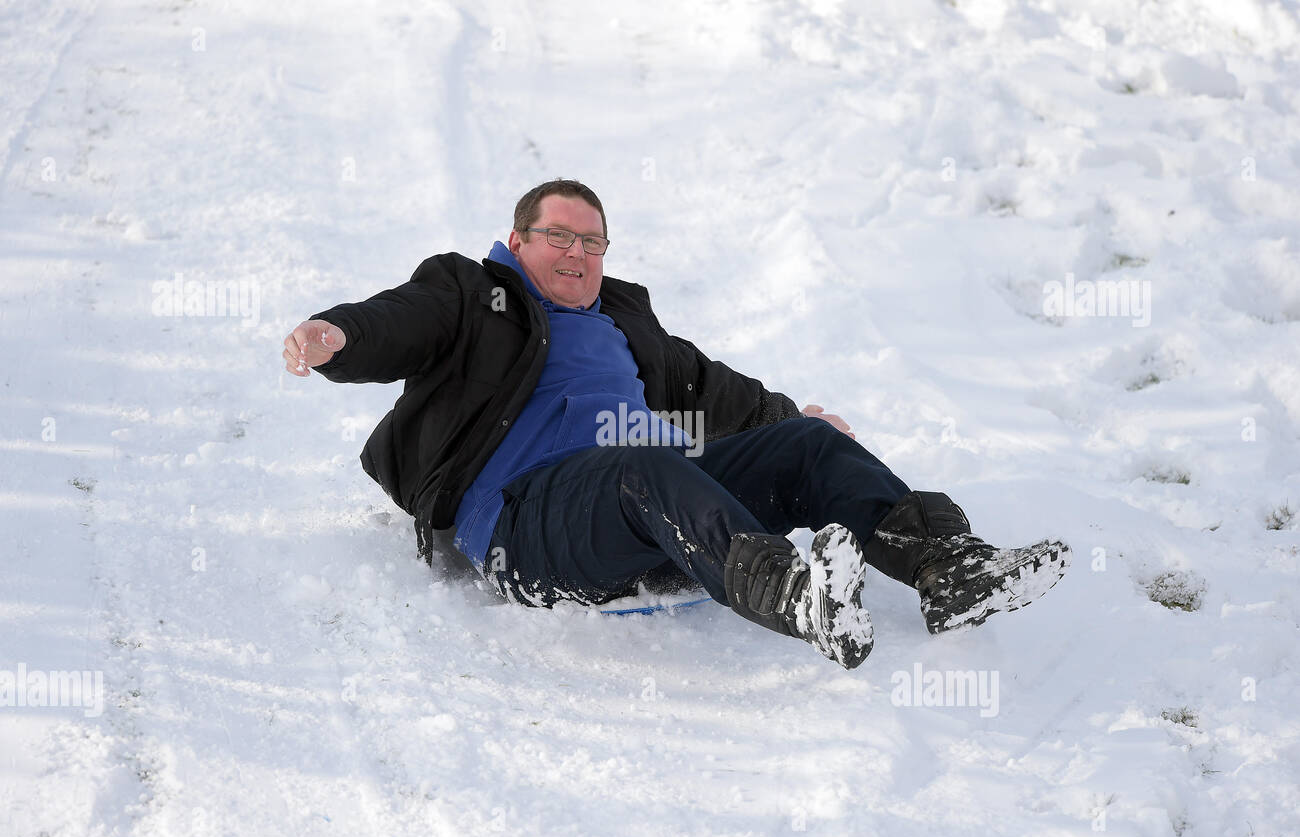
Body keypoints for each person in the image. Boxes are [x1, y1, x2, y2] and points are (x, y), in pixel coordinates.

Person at [282, 179, 1069, 669]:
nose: (577, 252)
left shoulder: (627, 319)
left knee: (805, 446)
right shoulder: (473, 295)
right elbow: (402, 319)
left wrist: (792, 418)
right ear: (518, 241)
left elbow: (708, 386)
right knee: (641, 460)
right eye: (558, 235)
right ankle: (795, 596)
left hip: (646, 497)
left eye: (592, 241)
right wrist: (338, 335)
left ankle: (949, 569)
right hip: (525, 520)